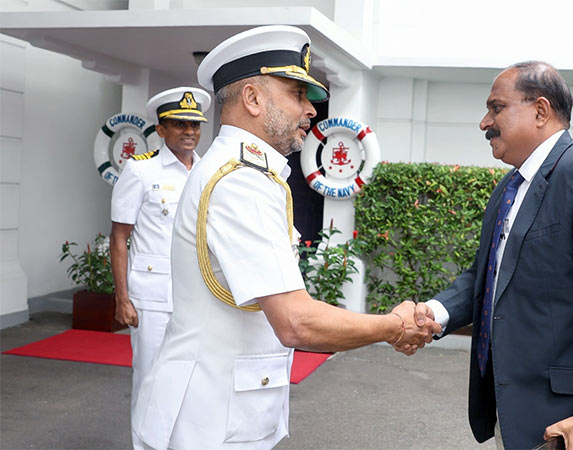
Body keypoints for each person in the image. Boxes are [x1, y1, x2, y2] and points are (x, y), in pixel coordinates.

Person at [131, 25, 440, 450]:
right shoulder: (242, 182)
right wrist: (393, 326)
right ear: (253, 99)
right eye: (297, 94)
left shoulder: (248, 173)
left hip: (217, 412)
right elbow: (295, 322)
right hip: (208, 421)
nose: (311, 110)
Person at [409, 61, 573, 450]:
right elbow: (489, 274)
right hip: (512, 417)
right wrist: (435, 312)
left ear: (540, 111)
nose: (484, 122)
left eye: (496, 108)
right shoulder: (508, 188)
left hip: (571, 426)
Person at [109, 86, 210, 450]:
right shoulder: (140, 170)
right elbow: (119, 237)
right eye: (179, 124)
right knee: (150, 381)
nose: (190, 132)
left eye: (195, 125)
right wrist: (122, 298)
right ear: (161, 129)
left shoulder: (207, 173)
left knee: (192, 381)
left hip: (197, 297)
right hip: (151, 297)